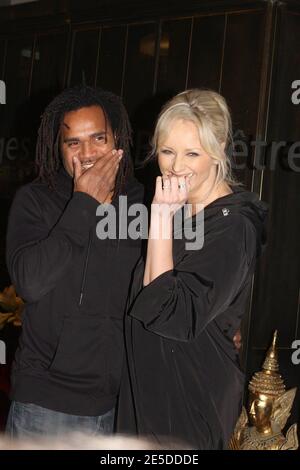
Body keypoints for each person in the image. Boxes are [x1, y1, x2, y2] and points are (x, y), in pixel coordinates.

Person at [116, 89, 268, 449]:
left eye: (192, 153)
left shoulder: (234, 226)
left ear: (218, 150)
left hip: (189, 401)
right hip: (147, 393)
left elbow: (172, 313)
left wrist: (161, 220)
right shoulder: (181, 211)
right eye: (167, 151)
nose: (175, 166)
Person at [5, 86, 143, 438]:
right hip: (47, 406)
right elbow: (30, 282)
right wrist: (84, 203)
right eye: (73, 143)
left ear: (118, 139)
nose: (88, 154)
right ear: (60, 149)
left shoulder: (143, 203)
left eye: (98, 138)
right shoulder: (35, 201)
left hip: (123, 405)